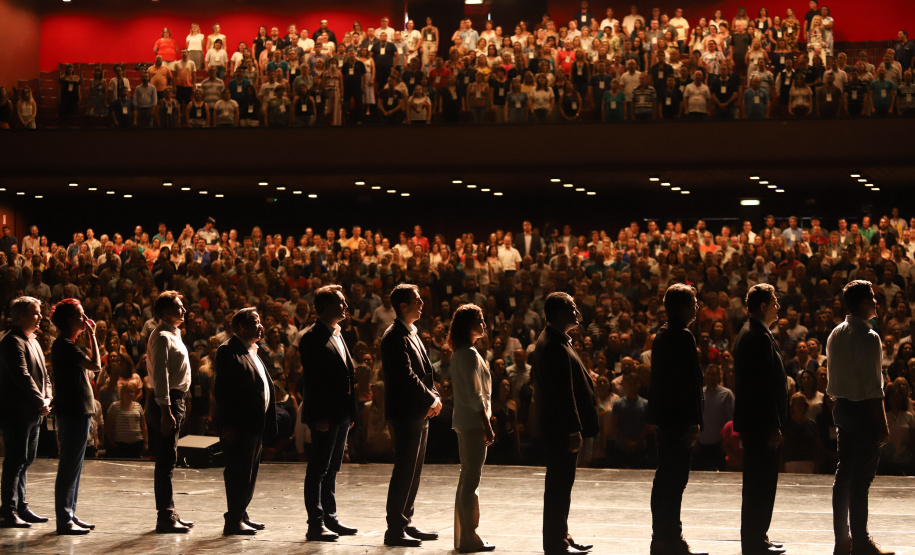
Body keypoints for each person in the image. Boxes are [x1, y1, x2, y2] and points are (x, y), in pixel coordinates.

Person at [827, 281, 895, 555]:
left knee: (844, 474)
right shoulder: (869, 337)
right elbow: (872, 388)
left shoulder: (835, 333)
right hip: (863, 411)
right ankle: (862, 542)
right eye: (872, 298)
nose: (876, 302)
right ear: (862, 303)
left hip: (842, 408)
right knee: (860, 480)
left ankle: (842, 541)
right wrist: (882, 423)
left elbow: (835, 382)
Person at [531, 292, 599, 555]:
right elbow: (563, 393)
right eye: (572, 307)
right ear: (558, 313)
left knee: (561, 485)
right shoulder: (554, 345)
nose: (577, 311)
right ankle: (556, 541)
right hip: (561, 429)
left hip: (559, 427)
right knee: (559, 486)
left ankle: (562, 535)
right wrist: (573, 428)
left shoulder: (557, 341)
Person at [647, 284, 706, 555]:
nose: (697, 307)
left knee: (665, 479)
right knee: (675, 480)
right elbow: (688, 384)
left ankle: (662, 537)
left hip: (666, 419)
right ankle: (671, 538)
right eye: (693, 302)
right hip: (680, 420)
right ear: (682, 307)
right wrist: (694, 420)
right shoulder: (682, 336)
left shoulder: (661, 335)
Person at [381, 284, 442, 547]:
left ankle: (406, 520)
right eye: (416, 300)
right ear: (403, 306)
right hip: (406, 412)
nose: (422, 303)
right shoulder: (394, 336)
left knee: (414, 469)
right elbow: (406, 377)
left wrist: (434, 396)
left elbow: (426, 372)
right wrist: (431, 398)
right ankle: (394, 529)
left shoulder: (412, 333)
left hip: (419, 411)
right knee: (404, 469)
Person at [300, 285, 359, 541]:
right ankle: (315, 522)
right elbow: (313, 380)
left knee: (332, 468)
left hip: (341, 413)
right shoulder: (312, 337)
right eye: (340, 302)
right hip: (326, 414)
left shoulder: (337, 333)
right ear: (324, 307)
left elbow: (347, 374)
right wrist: (319, 415)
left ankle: (330, 518)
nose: (345, 306)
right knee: (318, 469)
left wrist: (352, 412)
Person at [733, 284, 788, 555]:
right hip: (760, 424)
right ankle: (755, 541)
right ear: (764, 306)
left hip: (757, 422)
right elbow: (763, 387)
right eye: (774, 301)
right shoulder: (756, 336)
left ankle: (758, 537)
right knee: (760, 484)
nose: (778, 306)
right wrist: (773, 424)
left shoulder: (754, 333)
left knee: (760, 483)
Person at [214, 308, 277, 536]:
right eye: (256, 322)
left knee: (249, 472)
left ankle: (241, 514)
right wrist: (228, 423)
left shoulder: (251, 350)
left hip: (253, 424)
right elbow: (223, 390)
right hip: (239, 425)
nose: (260, 326)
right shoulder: (228, 350)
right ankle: (232, 520)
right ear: (241, 327)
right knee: (238, 471)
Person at [49, 299, 101, 535]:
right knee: (69, 466)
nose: (84, 318)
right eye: (80, 315)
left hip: (78, 410)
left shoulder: (67, 345)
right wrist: (93, 336)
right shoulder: (64, 345)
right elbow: (96, 365)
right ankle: (64, 518)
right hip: (73, 410)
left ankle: (69, 513)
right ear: (69, 319)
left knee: (75, 466)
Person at [0, 297, 52, 528]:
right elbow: (22, 375)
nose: (40, 317)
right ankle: (8, 509)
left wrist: (47, 397)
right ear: (21, 316)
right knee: (15, 459)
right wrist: (39, 399)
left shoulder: (33, 340)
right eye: (36, 313)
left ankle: (20, 506)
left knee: (27, 459)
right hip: (17, 411)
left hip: (33, 410)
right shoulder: (12, 341)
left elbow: (44, 376)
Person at [449, 304, 495, 553]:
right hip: (473, 424)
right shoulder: (467, 353)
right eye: (480, 320)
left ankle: (464, 535)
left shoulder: (463, 352)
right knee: (470, 481)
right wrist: (486, 424)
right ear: (469, 325)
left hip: (467, 422)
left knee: (467, 478)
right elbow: (475, 395)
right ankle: (469, 536)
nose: (484, 325)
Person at [146, 291, 194, 533]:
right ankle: (164, 516)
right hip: (167, 402)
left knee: (169, 458)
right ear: (165, 313)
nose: (183, 310)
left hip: (175, 400)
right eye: (178, 307)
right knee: (165, 460)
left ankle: (169, 511)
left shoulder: (174, 334)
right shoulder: (163, 336)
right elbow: (161, 378)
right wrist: (166, 410)